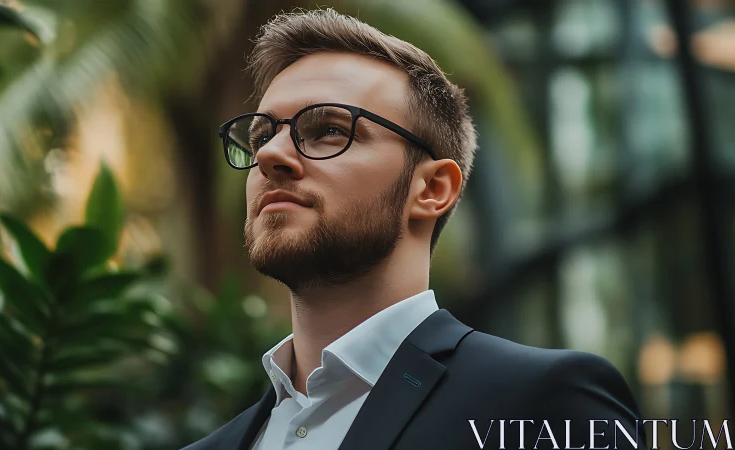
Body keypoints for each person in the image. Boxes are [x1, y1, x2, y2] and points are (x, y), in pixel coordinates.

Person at [182, 8, 645, 450]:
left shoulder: (545, 406)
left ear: (432, 189)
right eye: (262, 136)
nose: (269, 155)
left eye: (327, 129)